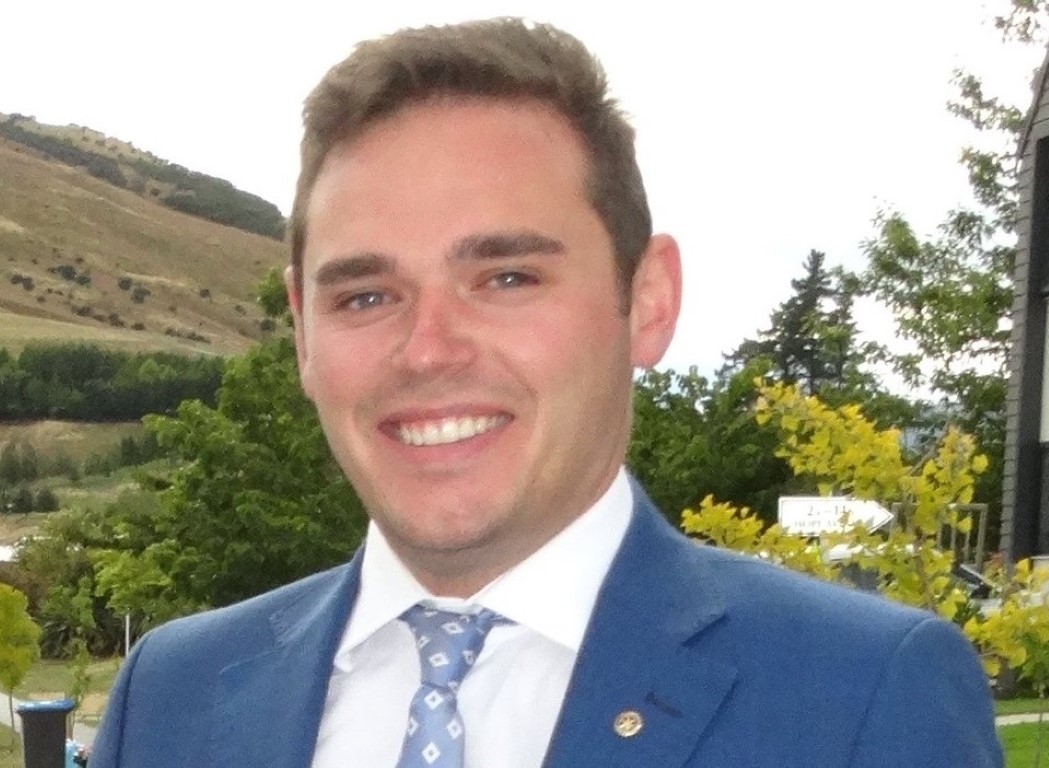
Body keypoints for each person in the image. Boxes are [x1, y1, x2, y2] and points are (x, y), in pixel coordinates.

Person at [90, 17, 1001, 768]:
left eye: (506, 278)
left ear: (648, 302)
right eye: (365, 296)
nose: (427, 351)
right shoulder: (172, 696)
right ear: (302, 333)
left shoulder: (858, 697)